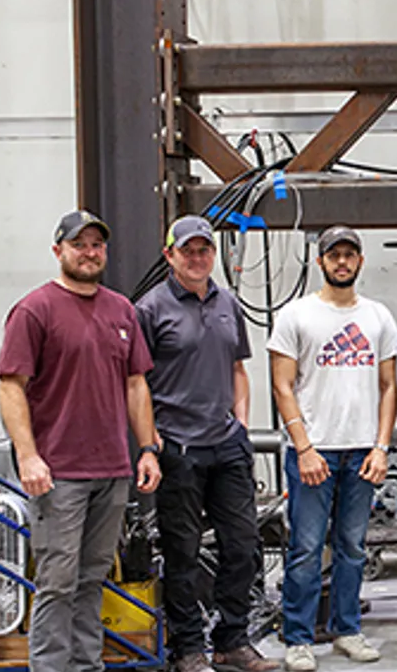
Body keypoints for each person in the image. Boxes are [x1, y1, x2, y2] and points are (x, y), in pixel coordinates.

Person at [0, 210, 161, 672]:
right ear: (58, 251)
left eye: (96, 245)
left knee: (92, 580)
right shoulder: (35, 309)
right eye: (79, 244)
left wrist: (147, 449)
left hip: (112, 470)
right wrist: (28, 457)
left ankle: (87, 666)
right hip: (58, 473)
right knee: (57, 581)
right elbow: (11, 386)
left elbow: (135, 385)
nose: (89, 253)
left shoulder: (121, 310)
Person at [135, 216, 277, 672]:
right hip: (178, 448)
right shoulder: (149, 309)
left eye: (204, 250)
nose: (197, 258)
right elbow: (134, 380)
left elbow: (239, 368)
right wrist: (151, 438)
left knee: (243, 544)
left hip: (226, 445)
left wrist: (241, 423)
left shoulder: (227, 303)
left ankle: (231, 639)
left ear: (213, 254)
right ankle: (188, 648)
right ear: (169, 255)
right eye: (188, 250)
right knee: (183, 552)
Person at [268, 226, 397, 671]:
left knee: (353, 546)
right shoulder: (296, 315)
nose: (342, 262)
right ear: (320, 260)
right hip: (314, 452)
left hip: (362, 452)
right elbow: (282, 386)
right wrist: (304, 448)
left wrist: (381, 447)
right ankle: (298, 638)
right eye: (333, 254)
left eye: (349, 254)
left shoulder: (379, 317)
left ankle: (347, 630)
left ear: (360, 261)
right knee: (305, 549)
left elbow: (388, 387)